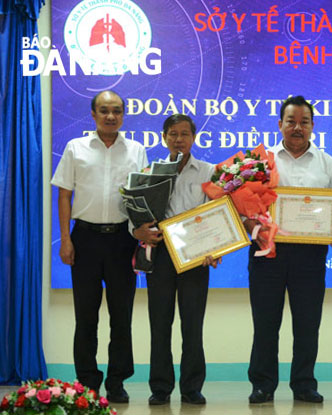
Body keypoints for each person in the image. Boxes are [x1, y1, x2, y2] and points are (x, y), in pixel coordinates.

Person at [244, 96, 332, 404]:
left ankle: (304, 384)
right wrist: (254, 225)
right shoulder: (259, 163)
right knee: (265, 323)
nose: (297, 128)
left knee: (307, 324)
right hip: (267, 252)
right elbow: (244, 207)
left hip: (309, 256)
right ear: (280, 125)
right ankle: (262, 384)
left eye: (304, 122)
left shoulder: (328, 164)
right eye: (291, 121)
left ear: (313, 126)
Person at [51, 90, 148, 403]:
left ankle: (117, 382)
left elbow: (142, 198)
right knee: (86, 316)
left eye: (117, 111)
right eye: (104, 110)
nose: (111, 116)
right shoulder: (75, 148)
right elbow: (64, 195)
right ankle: (88, 382)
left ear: (123, 115)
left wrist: (140, 237)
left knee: (122, 317)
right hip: (85, 239)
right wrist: (65, 239)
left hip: (123, 240)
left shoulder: (136, 150)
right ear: (93, 115)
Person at [132, 114, 220, 406]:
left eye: (184, 134)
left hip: (196, 255)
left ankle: (192, 387)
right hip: (161, 253)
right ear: (164, 138)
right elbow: (136, 213)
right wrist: (138, 229)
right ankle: (160, 387)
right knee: (160, 322)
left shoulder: (209, 171)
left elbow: (216, 214)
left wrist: (214, 247)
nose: (178, 139)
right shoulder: (151, 172)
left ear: (194, 138)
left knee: (193, 324)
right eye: (172, 134)